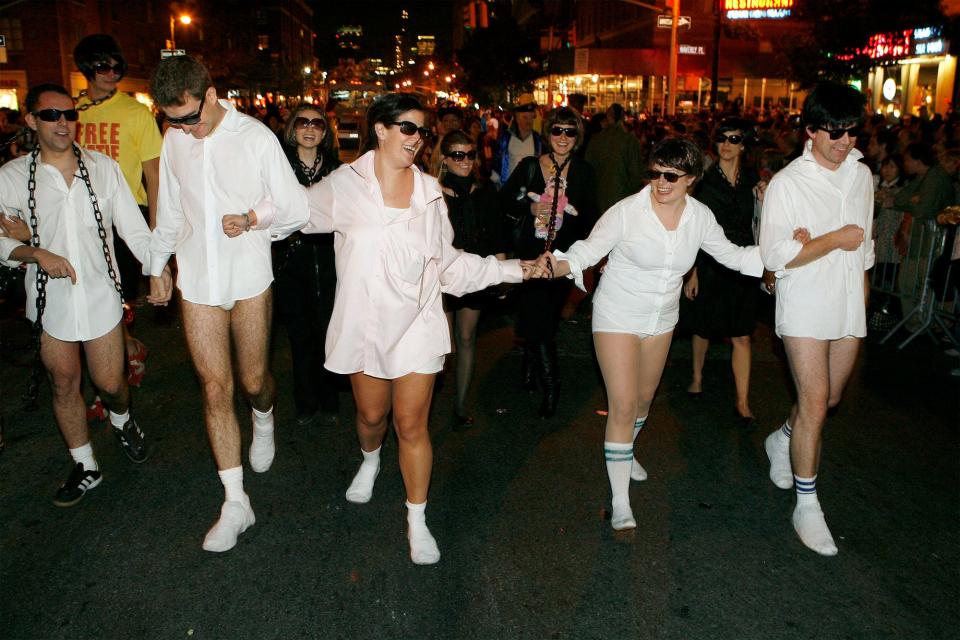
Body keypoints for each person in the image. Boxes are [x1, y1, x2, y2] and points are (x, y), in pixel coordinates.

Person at [301, 93, 541, 564]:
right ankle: (370, 459)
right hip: (366, 324)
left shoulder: (431, 193)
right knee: (373, 418)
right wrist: (249, 218)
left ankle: (417, 518)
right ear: (381, 130)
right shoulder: (344, 186)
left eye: (422, 131)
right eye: (407, 128)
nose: (417, 139)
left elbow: (450, 267)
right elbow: (291, 211)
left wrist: (517, 269)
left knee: (411, 424)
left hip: (417, 322)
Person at [539, 137, 763, 531]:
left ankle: (625, 449)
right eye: (656, 173)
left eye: (671, 177)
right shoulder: (627, 212)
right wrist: (556, 265)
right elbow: (587, 252)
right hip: (617, 315)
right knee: (622, 405)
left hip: (662, 318)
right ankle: (621, 500)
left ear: (691, 179)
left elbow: (733, 256)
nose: (660, 183)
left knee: (643, 401)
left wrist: (781, 254)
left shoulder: (699, 217)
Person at [147, 56, 308, 553]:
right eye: (173, 120)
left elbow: (296, 207)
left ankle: (264, 416)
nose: (184, 129)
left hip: (249, 276)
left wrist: (254, 217)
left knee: (253, 381)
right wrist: (157, 267)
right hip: (197, 279)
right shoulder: (175, 140)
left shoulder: (256, 138)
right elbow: (170, 211)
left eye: (191, 117)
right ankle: (236, 502)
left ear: (211, 96)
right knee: (216, 388)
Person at [0, 83, 170, 505]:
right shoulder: (13, 176)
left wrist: (158, 269)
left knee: (111, 383)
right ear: (31, 121)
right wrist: (35, 251)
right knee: (63, 382)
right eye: (52, 115)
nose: (63, 123)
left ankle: (122, 417)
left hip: (99, 294)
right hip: (49, 301)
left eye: (70, 115)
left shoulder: (103, 168)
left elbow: (132, 228)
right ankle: (85, 465)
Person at [759, 81, 874, 556]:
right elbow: (774, 255)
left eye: (851, 131)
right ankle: (808, 506)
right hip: (805, 302)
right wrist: (829, 240)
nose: (845, 141)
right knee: (814, 401)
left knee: (829, 399)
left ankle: (780, 439)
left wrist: (863, 303)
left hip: (848, 301)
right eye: (835, 131)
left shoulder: (862, 175)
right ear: (810, 131)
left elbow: (865, 248)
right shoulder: (789, 183)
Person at [73, 34, 163, 390]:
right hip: (81, 215)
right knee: (89, 296)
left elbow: (153, 175)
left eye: (117, 66)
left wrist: (156, 228)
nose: (112, 73)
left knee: (119, 298)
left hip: (128, 216)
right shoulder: (71, 111)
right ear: (87, 69)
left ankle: (112, 373)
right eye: (103, 66)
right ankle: (122, 354)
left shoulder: (136, 112)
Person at [500, 107, 598, 418]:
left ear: (577, 136)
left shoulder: (584, 172)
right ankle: (552, 385)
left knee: (545, 319)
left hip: (563, 261)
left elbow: (592, 219)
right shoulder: (530, 166)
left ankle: (530, 366)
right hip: (531, 256)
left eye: (570, 131)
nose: (563, 138)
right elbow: (503, 201)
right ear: (549, 133)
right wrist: (529, 209)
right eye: (558, 130)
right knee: (538, 317)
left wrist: (586, 255)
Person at [683, 118, 763, 423]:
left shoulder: (753, 180)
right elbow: (692, 226)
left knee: (742, 332)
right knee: (703, 325)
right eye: (722, 139)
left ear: (743, 144)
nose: (727, 145)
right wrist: (691, 271)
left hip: (743, 261)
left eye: (733, 139)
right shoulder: (703, 180)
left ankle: (742, 401)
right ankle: (697, 377)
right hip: (710, 260)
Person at [275, 104, 342, 426]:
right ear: (292, 128)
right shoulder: (278, 167)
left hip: (330, 261)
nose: (310, 128)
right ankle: (305, 402)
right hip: (291, 261)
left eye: (317, 123)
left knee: (328, 332)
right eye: (303, 121)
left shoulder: (337, 169)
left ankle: (330, 399)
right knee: (300, 335)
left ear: (325, 132)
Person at [437, 129, 509, 426]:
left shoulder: (485, 191)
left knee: (466, 338)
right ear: (445, 159)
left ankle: (460, 404)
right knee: (442, 344)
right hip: (442, 276)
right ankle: (426, 399)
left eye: (470, 154)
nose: (465, 161)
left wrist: (502, 274)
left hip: (475, 274)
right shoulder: (433, 193)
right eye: (458, 155)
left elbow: (497, 235)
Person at [584, 103, 645, 214]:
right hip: (622, 199)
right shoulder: (629, 140)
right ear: (622, 117)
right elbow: (636, 173)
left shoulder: (596, 140)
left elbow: (588, 170)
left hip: (599, 199)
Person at [491, 94, 542, 186]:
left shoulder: (538, 139)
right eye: (525, 117)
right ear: (517, 119)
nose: (528, 121)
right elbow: (497, 162)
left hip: (531, 191)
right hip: (509, 188)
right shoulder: (506, 139)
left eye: (531, 117)